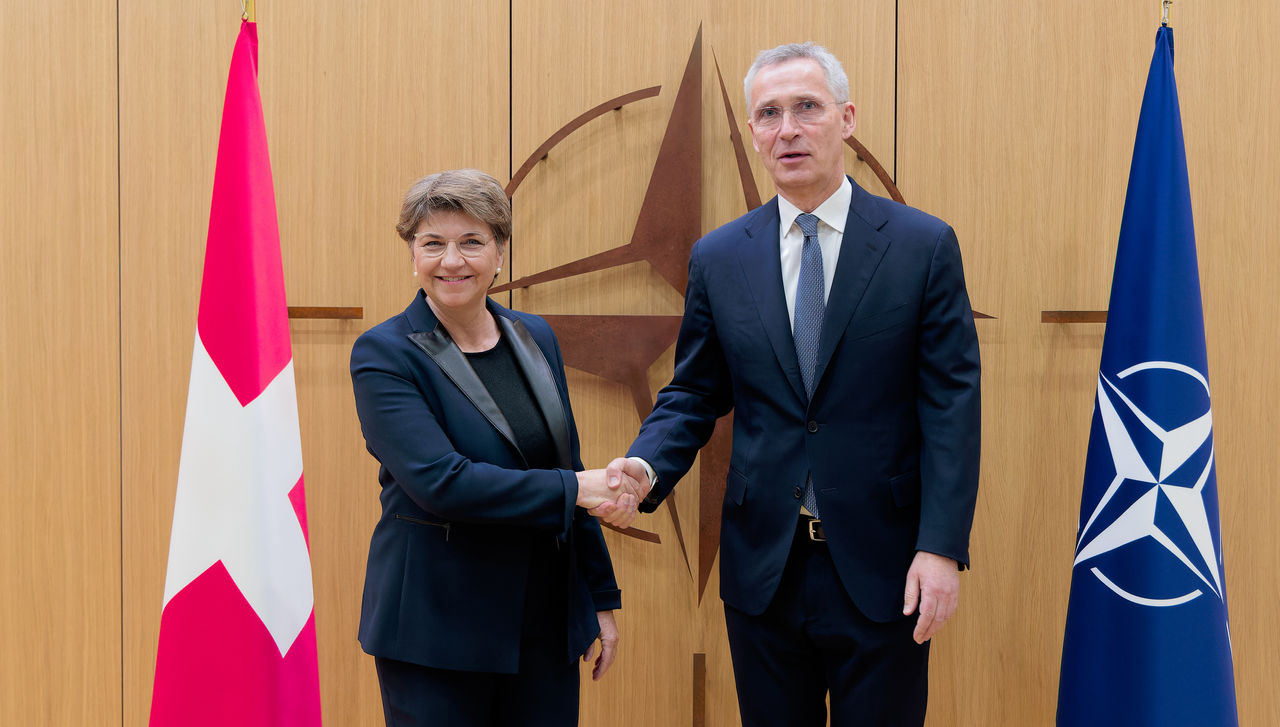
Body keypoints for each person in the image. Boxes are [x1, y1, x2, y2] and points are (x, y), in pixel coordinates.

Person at [601, 42, 981, 726]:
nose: (788, 129)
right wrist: (646, 464)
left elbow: (951, 405)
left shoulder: (921, 246)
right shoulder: (720, 256)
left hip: (886, 564)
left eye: (807, 107)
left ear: (847, 118)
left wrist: (941, 546)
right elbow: (695, 391)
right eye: (769, 114)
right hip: (764, 567)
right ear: (752, 132)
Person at [350, 169, 636, 726]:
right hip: (437, 632)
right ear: (413, 256)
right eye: (433, 243)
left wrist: (599, 597)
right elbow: (442, 482)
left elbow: (567, 465)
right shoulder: (384, 353)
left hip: (544, 624)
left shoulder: (535, 336)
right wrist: (577, 488)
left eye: (471, 242)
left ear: (500, 253)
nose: (451, 261)